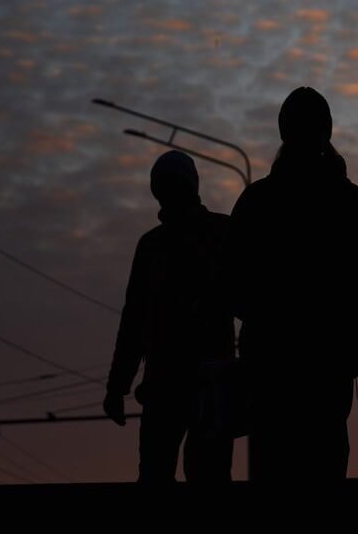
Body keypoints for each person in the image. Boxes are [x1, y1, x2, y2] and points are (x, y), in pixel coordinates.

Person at [223, 86, 358, 481]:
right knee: (325, 464)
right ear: (328, 132)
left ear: (284, 132)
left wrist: (263, 317)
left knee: (273, 465)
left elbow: (228, 286)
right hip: (328, 364)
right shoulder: (349, 201)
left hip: (271, 366)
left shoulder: (257, 202)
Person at [104, 150, 235, 483]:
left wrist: (117, 387)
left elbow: (132, 323)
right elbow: (133, 322)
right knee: (195, 476)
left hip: (189, 384)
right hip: (198, 384)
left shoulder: (156, 246)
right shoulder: (218, 234)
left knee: (169, 475)